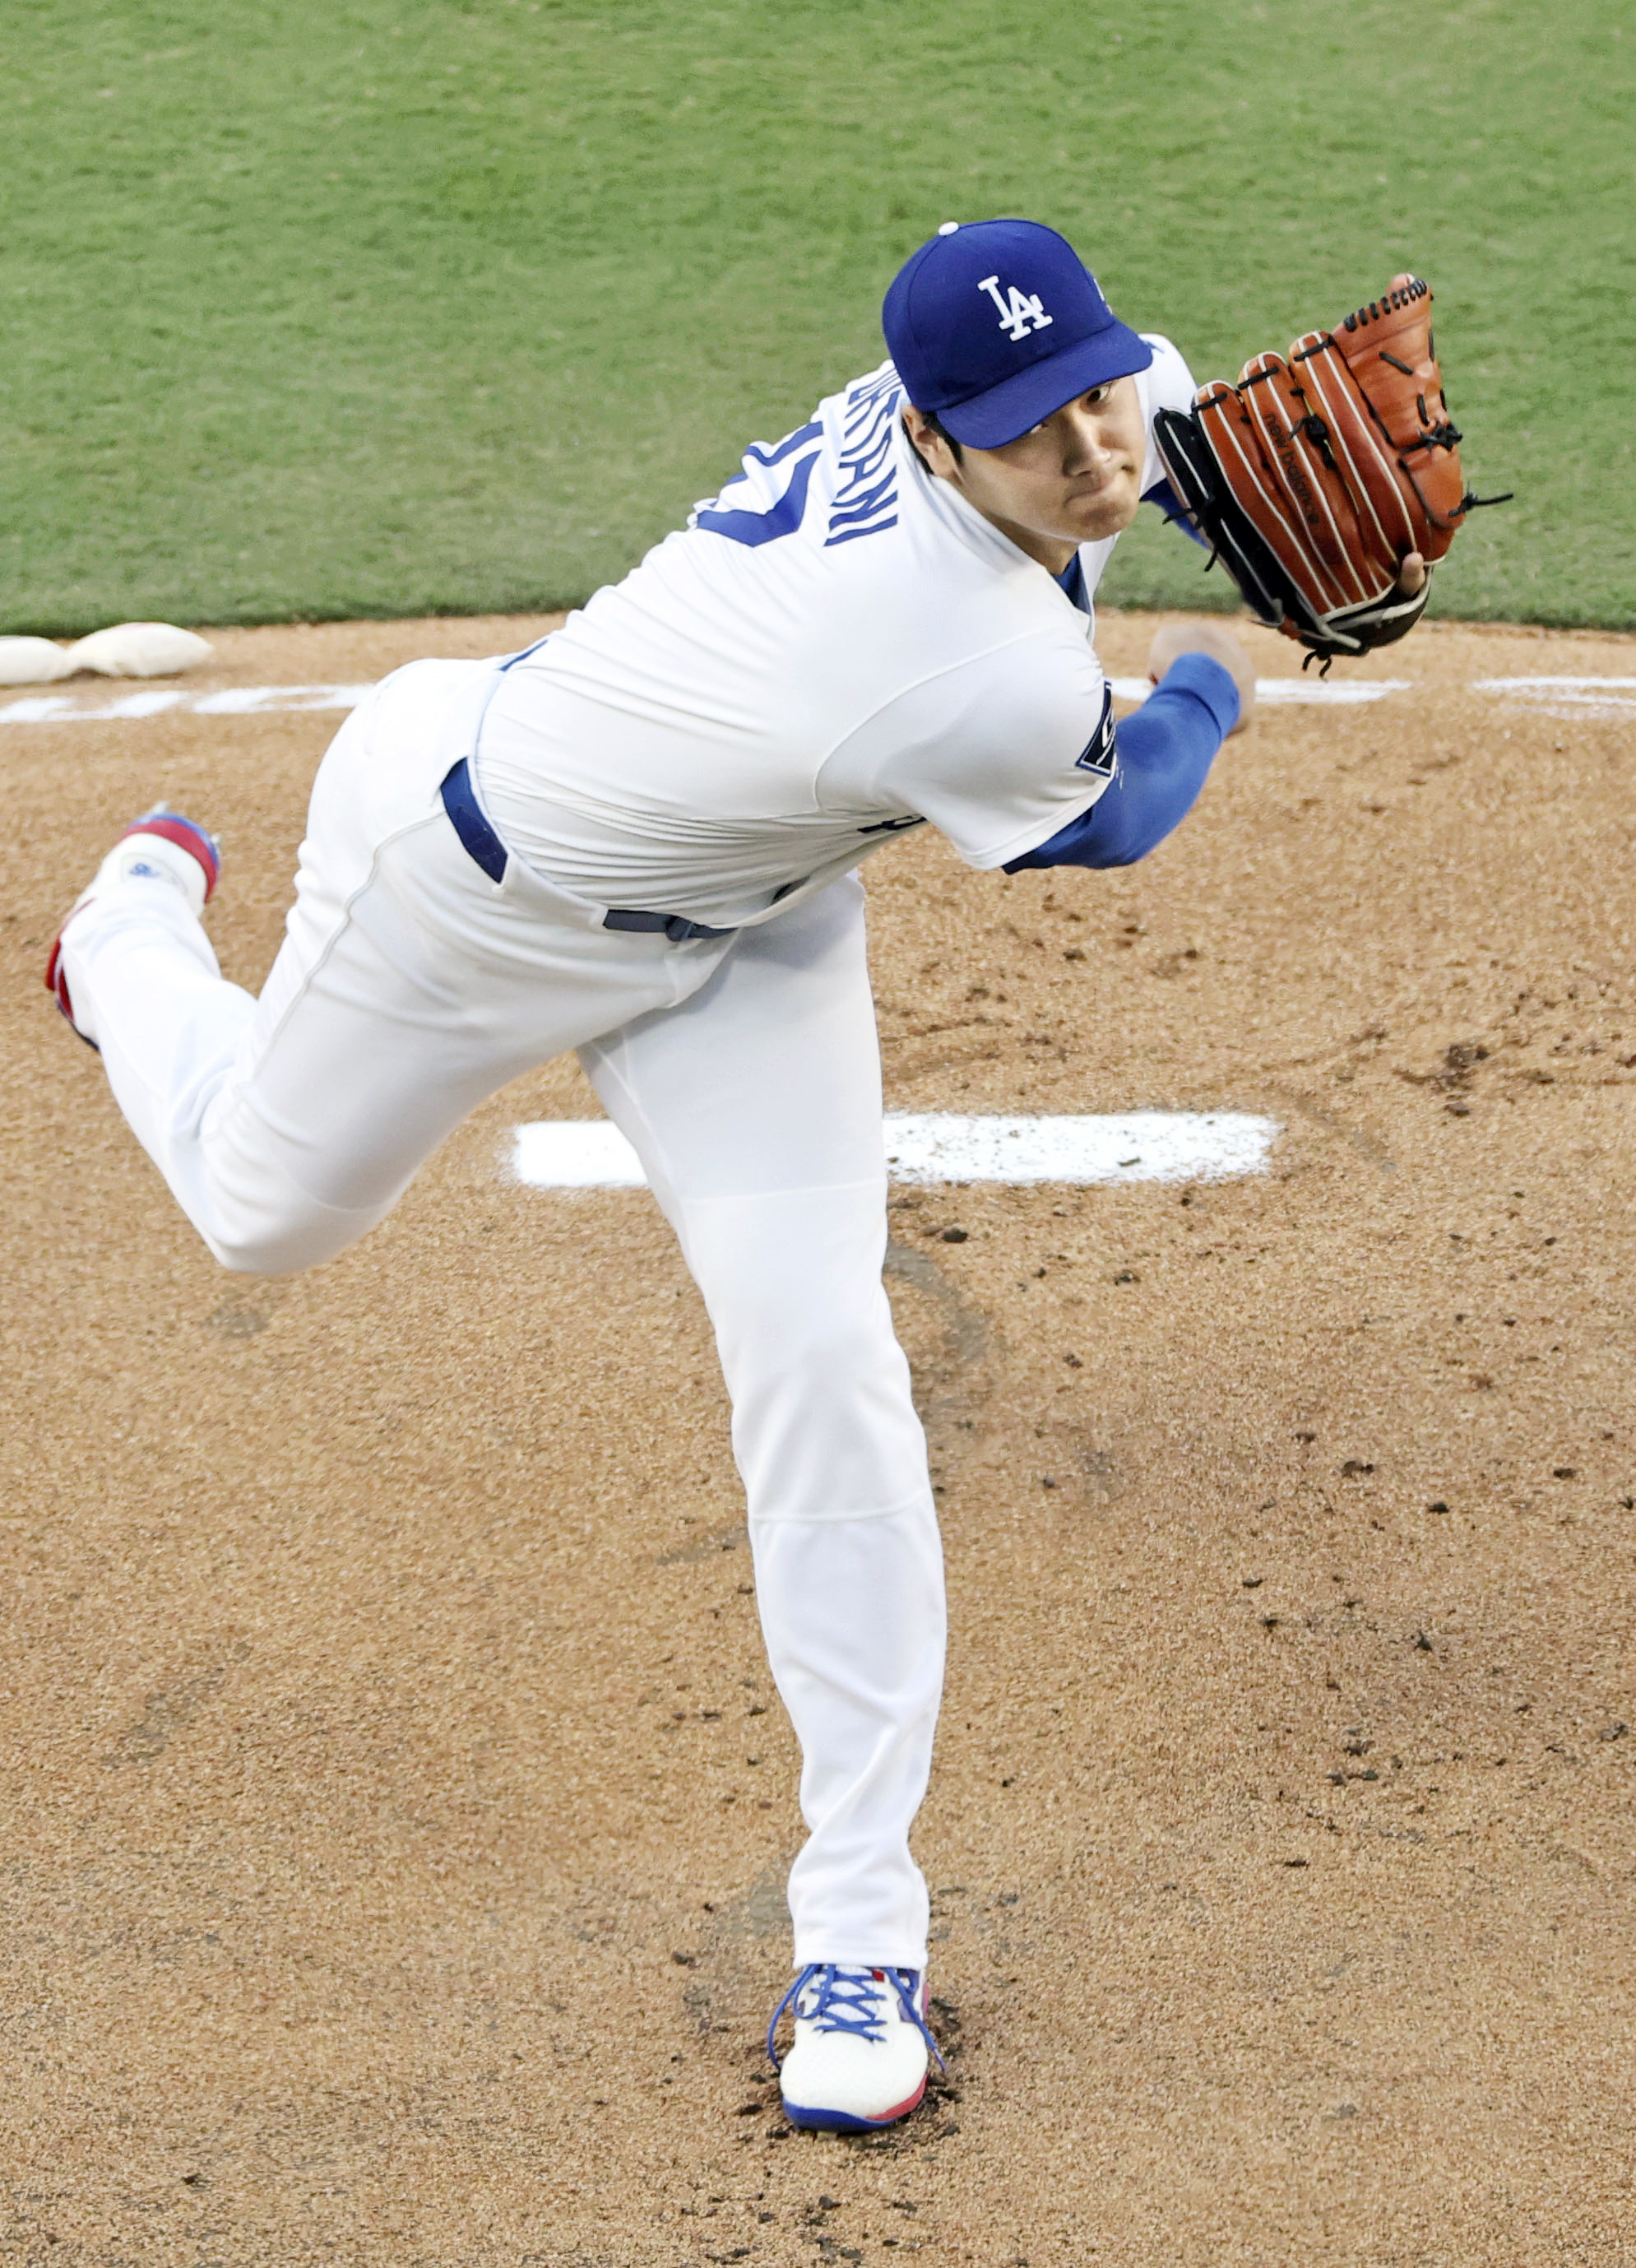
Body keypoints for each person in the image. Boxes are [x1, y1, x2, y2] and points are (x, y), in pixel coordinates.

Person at [47, 218, 1282, 2135]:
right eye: (1042, 431)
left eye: (1103, 392)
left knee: (826, 1365)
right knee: (256, 1208)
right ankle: (127, 929)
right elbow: (1109, 815)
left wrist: (1170, 433)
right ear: (933, 437)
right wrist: (1213, 677)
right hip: (466, 889)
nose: (1096, 449)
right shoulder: (949, 664)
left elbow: (1162, 393)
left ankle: (856, 1927)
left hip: (744, 920)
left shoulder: (1023, 410)